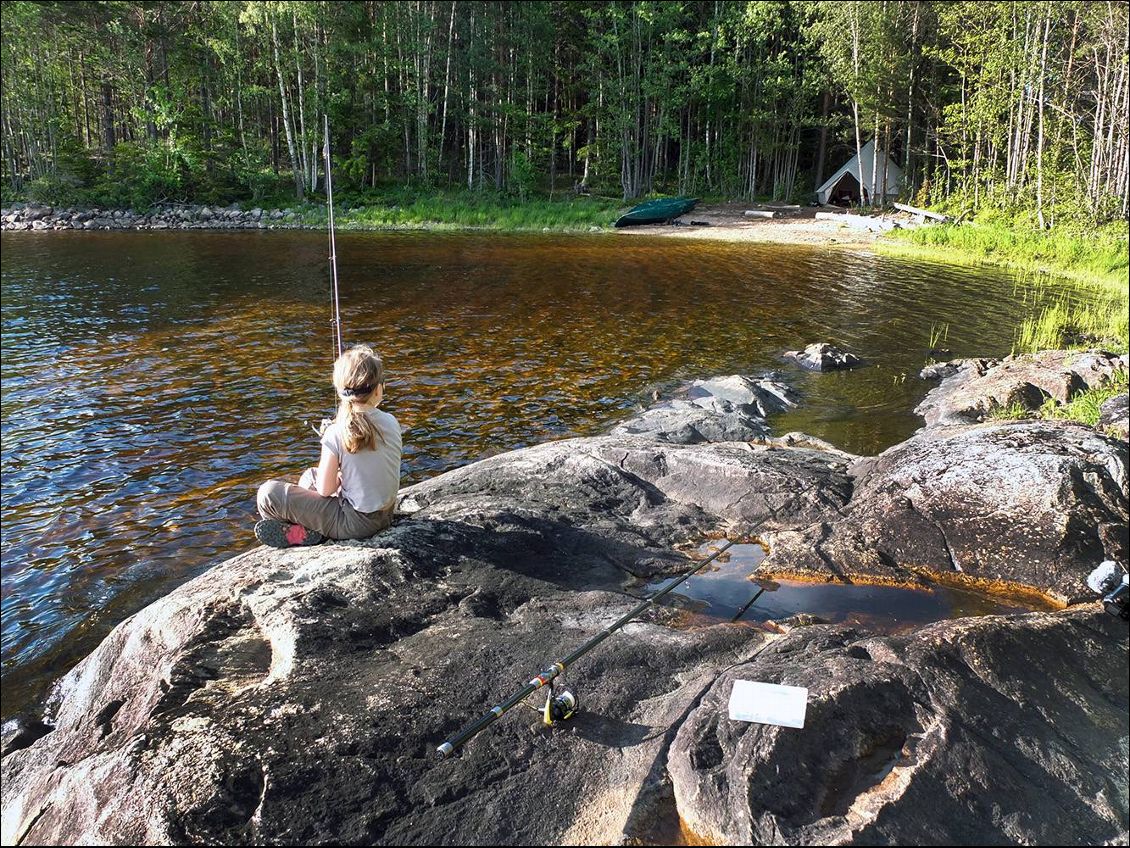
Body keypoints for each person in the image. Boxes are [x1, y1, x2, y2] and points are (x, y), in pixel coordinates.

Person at [254, 344, 402, 548]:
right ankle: (311, 528)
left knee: (268, 494)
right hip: (385, 515)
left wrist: (334, 451)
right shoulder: (391, 421)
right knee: (309, 477)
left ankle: (305, 533)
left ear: (341, 393)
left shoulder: (337, 432)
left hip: (355, 524)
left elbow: (326, 490)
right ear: (378, 389)